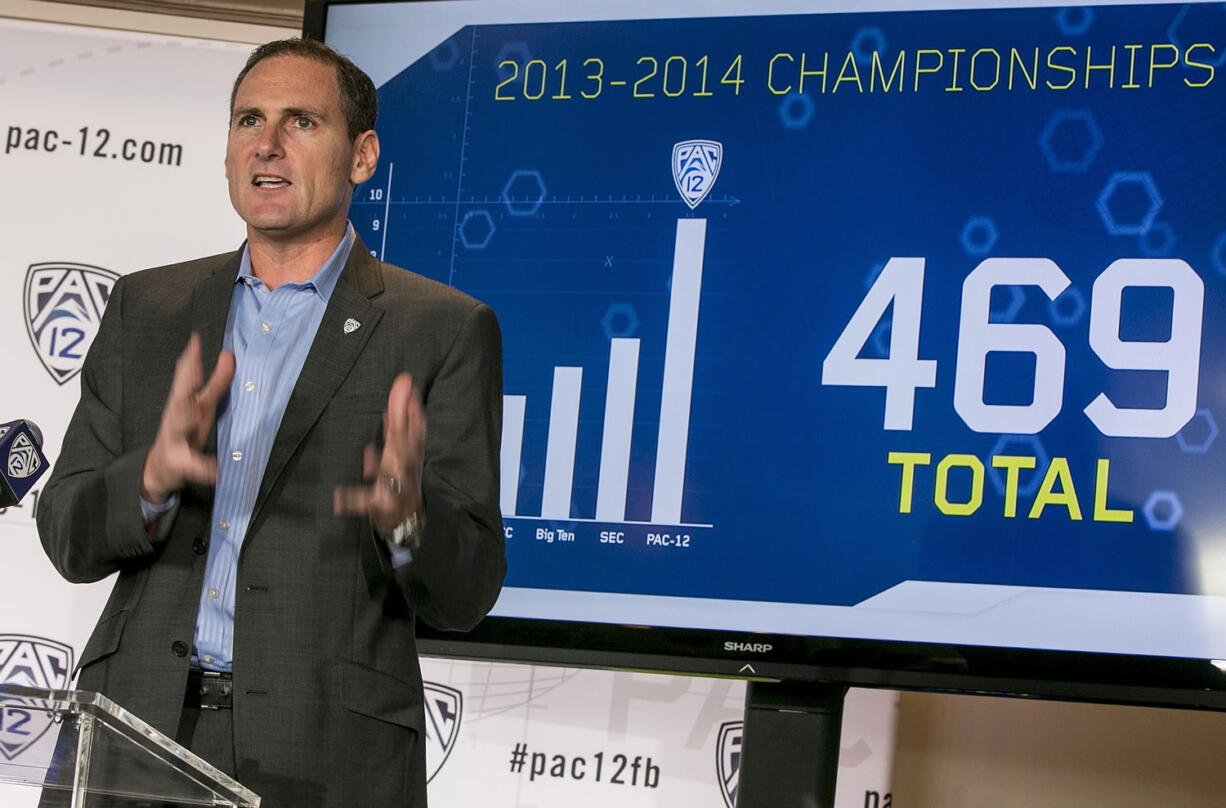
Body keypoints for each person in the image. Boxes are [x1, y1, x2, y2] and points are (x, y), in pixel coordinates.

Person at [36, 38, 506, 807]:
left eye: (301, 122)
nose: (267, 144)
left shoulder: (442, 329)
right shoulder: (145, 310)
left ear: (362, 156)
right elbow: (65, 535)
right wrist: (149, 480)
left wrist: (407, 519)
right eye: (248, 119)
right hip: (130, 729)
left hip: (324, 754)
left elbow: (470, 590)